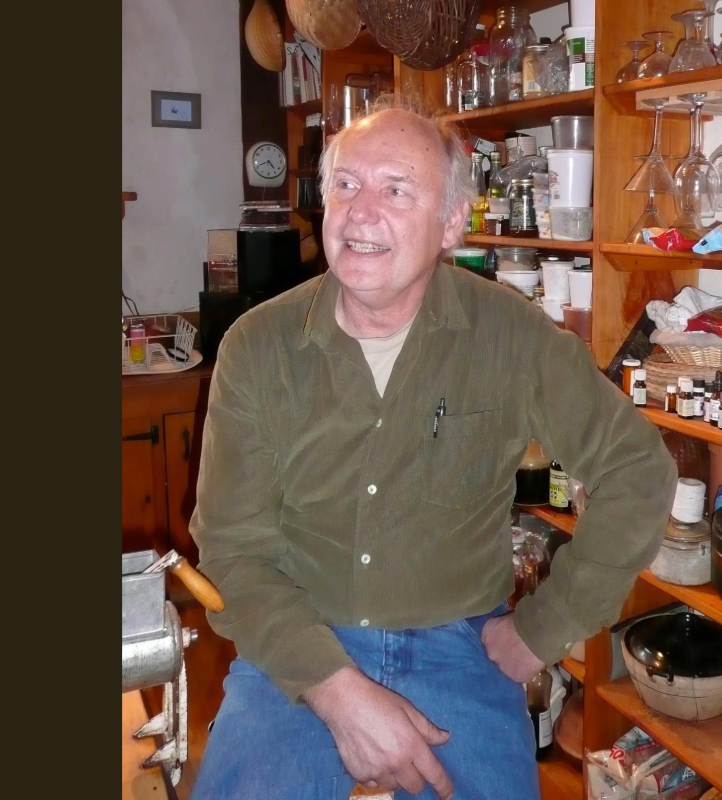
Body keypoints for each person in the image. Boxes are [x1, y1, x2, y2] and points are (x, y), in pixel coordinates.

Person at [189, 97, 677, 800]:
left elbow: (636, 469)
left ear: (451, 223)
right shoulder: (258, 347)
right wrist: (336, 690)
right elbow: (232, 549)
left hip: (460, 648)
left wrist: (545, 628)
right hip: (294, 641)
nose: (361, 212)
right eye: (347, 184)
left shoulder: (510, 334)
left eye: (396, 189)